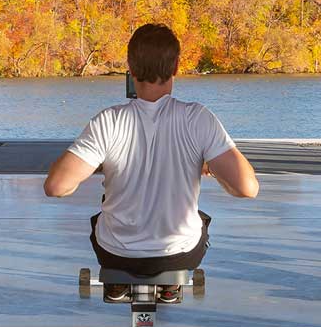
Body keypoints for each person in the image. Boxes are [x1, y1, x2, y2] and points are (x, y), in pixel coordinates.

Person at [44, 23, 260, 302]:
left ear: (131, 69)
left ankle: (117, 282)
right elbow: (248, 188)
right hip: (178, 256)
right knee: (199, 219)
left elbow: (56, 186)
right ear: (176, 67)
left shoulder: (108, 121)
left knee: (101, 218)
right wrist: (211, 169)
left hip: (116, 253)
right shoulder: (198, 118)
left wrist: (100, 166)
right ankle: (170, 286)